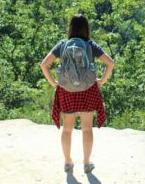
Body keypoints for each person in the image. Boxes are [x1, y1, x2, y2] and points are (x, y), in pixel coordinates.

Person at [40, 14, 114, 174]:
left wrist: (54, 83)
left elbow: (44, 65)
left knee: (67, 129)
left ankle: (67, 162)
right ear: (86, 29)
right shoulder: (90, 45)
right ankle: (87, 163)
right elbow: (110, 63)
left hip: (66, 90)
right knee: (87, 129)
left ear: (70, 28)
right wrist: (102, 80)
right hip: (88, 89)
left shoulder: (62, 45)